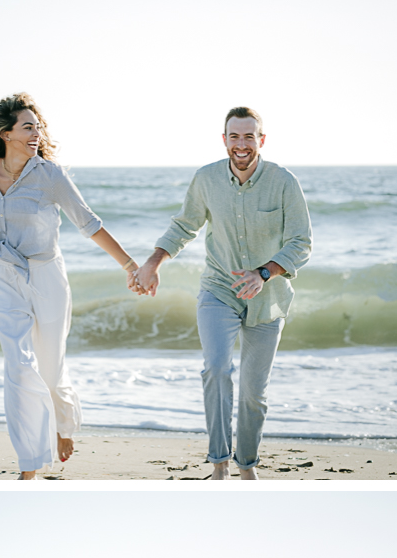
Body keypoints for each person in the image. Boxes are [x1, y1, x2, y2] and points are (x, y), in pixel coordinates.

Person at [0, 93, 141, 480]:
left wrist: (129, 264)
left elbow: (89, 222)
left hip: (46, 275)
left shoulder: (50, 175)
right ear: (5, 134)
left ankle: (63, 425)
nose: (36, 133)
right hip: (1, 274)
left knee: (50, 368)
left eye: (38, 126)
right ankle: (30, 463)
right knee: (18, 365)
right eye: (28, 126)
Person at [133, 106, 312, 480]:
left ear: (261, 141)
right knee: (216, 368)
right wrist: (154, 262)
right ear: (224, 139)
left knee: (253, 394)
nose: (241, 144)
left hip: (268, 298)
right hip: (220, 289)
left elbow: (301, 242)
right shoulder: (207, 179)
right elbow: (184, 226)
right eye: (234, 136)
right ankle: (219, 465)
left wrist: (265, 272)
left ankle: (247, 466)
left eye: (249, 136)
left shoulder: (283, 182)